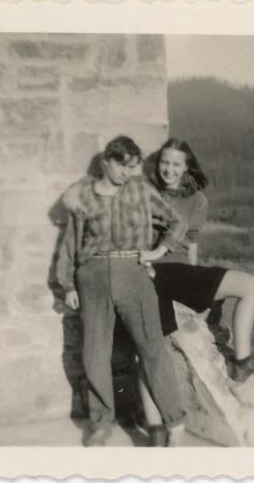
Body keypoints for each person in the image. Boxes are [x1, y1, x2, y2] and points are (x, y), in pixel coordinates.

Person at [136, 138, 254, 443]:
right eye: (164, 163)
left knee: (251, 285)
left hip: (182, 273)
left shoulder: (197, 200)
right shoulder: (146, 192)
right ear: (158, 165)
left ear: (187, 167)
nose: (169, 169)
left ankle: (241, 363)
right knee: (149, 349)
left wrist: (200, 293)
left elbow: (192, 243)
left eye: (176, 164)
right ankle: (156, 427)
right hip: (152, 271)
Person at [56, 136, 187, 447]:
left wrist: (158, 252)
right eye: (121, 165)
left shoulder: (142, 191)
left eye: (132, 167)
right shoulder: (84, 197)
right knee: (95, 354)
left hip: (133, 273)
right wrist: (67, 284)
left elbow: (176, 222)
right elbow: (70, 243)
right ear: (106, 163)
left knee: (152, 348)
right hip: (93, 277)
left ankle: (175, 423)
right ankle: (100, 425)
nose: (127, 173)